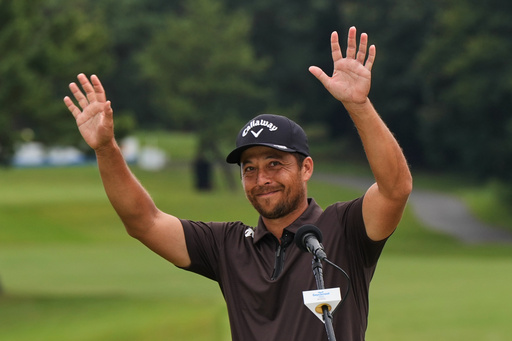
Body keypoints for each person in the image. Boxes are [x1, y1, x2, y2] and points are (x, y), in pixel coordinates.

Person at [64, 26, 412, 341]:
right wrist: (106, 149)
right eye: (249, 169)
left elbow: (395, 189)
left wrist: (359, 105)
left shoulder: (343, 228)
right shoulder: (228, 246)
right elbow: (145, 222)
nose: (262, 179)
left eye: (275, 164)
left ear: (306, 168)